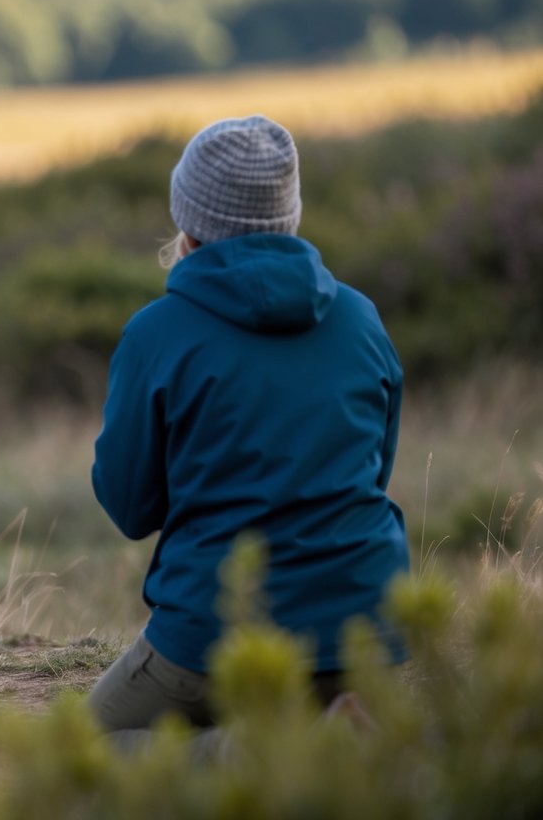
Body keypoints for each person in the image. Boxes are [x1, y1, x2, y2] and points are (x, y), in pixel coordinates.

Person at [87, 115, 408, 744]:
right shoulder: (363, 320)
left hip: (212, 637)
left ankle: (274, 751)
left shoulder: (157, 333)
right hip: (367, 629)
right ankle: (338, 732)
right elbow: (375, 471)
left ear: (189, 219)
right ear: (288, 212)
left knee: (85, 753)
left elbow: (129, 508)